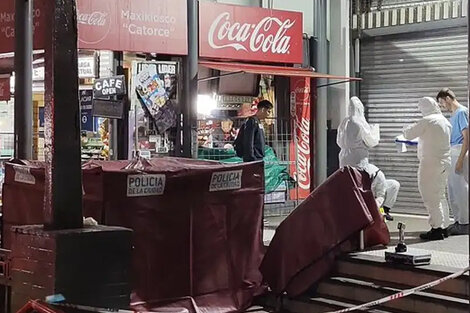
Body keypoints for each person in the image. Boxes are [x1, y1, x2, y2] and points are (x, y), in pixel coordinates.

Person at [403, 97, 452, 240]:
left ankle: (436, 228)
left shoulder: (428, 120)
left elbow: (409, 134)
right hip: (444, 162)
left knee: (430, 195)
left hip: (431, 163)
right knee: (440, 194)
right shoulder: (445, 121)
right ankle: (443, 227)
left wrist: (406, 128)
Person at [437, 88, 469, 235]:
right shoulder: (454, 114)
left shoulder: (462, 112)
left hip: (459, 152)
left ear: (448, 98)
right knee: (453, 189)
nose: (443, 106)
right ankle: (458, 221)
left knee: (460, 189)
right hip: (453, 152)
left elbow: (466, 138)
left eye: (442, 103)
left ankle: (464, 223)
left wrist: (461, 160)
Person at [337, 97, 380, 168]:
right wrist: (375, 129)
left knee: (345, 178)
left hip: (344, 158)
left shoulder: (344, 122)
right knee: (358, 178)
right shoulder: (359, 122)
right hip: (357, 159)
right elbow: (370, 140)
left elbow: (338, 141)